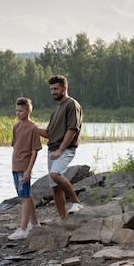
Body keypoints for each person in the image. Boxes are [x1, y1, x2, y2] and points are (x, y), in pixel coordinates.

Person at [37, 75, 84, 220]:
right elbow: (48, 133)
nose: (53, 92)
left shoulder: (72, 104)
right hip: (52, 150)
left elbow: (72, 129)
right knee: (55, 186)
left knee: (55, 174)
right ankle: (63, 218)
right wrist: (31, 126)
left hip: (65, 149)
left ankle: (76, 202)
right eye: (51, 89)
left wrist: (60, 150)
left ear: (64, 88)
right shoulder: (56, 110)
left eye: (56, 89)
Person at [7, 97, 42, 240]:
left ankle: (23, 229)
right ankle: (34, 222)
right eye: (16, 110)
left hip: (24, 167)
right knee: (27, 194)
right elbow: (15, 146)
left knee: (24, 197)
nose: (17, 113)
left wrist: (28, 170)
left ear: (28, 111)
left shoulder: (33, 128)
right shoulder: (16, 127)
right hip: (15, 166)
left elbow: (34, 151)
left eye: (20, 111)